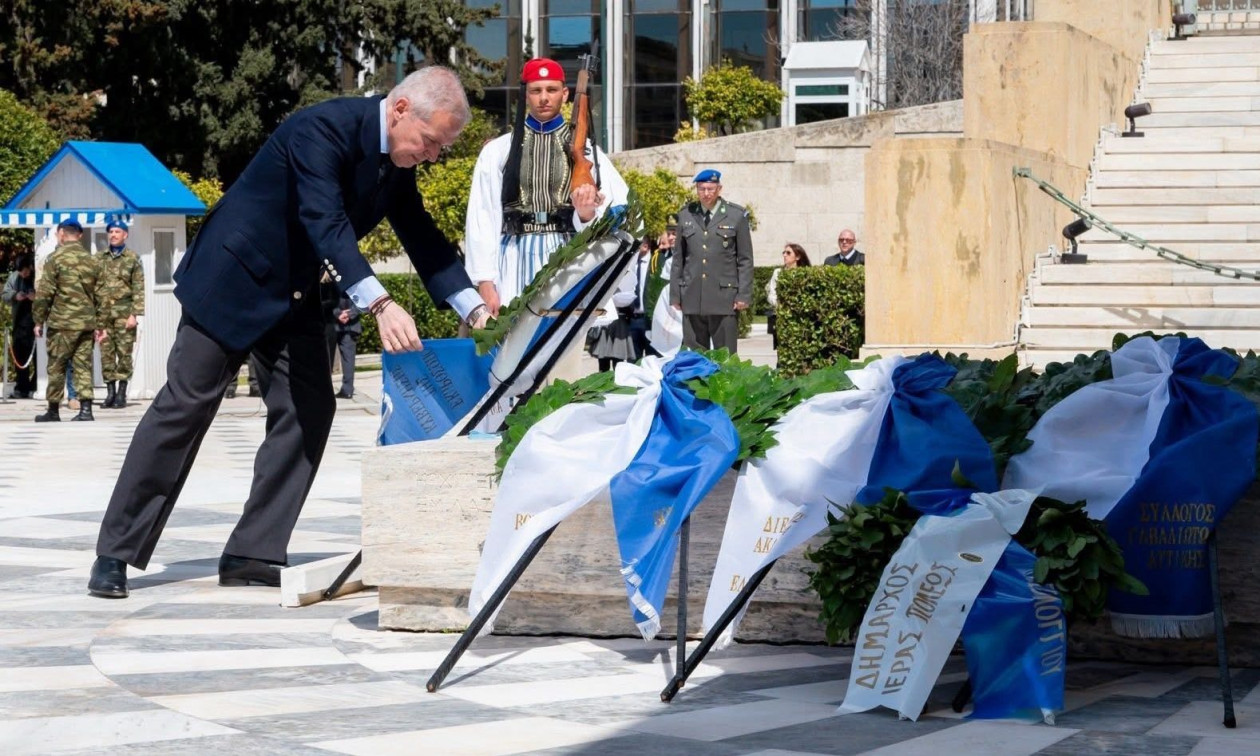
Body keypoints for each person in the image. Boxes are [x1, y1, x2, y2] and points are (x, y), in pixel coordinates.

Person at [88, 66, 491, 599]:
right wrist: (381, 303)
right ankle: (114, 552)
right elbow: (325, 221)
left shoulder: (397, 160)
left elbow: (420, 234)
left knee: (310, 408)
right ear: (400, 111)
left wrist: (474, 307)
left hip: (293, 293)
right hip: (232, 280)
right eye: (431, 142)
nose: (432, 155)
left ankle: (254, 551)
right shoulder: (319, 130)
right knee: (185, 406)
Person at [464, 58, 629, 314]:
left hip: (567, 257)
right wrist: (485, 281)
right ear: (525, 95)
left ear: (565, 95)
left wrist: (586, 214)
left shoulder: (587, 152)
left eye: (551, 90)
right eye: (536, 91)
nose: (544, 98)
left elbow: (617, 211)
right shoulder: (498, 151)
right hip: (513, 259)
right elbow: (482, 217)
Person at [670, 169, 753, 354]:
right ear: (696, 189)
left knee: (726, 356)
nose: (706, 193)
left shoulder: (736, 215)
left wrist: (743, 295)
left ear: (719, 189)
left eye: (710, 189)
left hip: (724, 298)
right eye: (702, 189)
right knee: (695, 358)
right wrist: (675, 294)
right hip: (692, 296)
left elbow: (745, 259)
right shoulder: (686, 215)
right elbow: (679, 259)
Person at [32, 219, 103, 423]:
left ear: (62, 233)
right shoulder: (92, 261)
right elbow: (101, 295)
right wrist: (102, 324)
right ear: (79, 235)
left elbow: (45, 293)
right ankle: (86, 410)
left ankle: (53, 411)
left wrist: (38, 320)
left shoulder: (55, 259)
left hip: (61, 323)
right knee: (83, 365)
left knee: (57, 366)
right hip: (86, 323)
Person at [96, 218, 145, 409]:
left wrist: (135, 314)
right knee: (106, 354)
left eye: (117, 231)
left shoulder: (132, 258)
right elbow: (93, 287)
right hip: (104, 316)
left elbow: (138, 287)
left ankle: (122, 393)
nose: (113, 235)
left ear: (125, 234)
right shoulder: (99, 258)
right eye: (111, 232)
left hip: (124, 313)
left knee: (124, 354)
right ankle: (110, 393)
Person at [590, 237, 654, 370]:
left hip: (639, 318)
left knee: (644, 359)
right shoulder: (623, 263)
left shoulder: (654, 263)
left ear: (646, 246)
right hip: (618, 317)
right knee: (614, 360)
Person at [2, 254, 37, 398]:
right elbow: (4, 294)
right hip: (20, 322)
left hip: (36, 322)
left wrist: (35, 296)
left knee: (37, 357)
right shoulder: (14, 277)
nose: (24, 274)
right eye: (21, 271)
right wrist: (15, 296)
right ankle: (21, 387)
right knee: (20, 356)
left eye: (26, 271)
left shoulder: (38, 276)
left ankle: (35, 385)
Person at [766, 243, 812, 350]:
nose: (785, 255)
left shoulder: (806, 274)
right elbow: (771, 294)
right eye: (784, 252)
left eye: (788, 253)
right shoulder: (778, 273)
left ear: (798, 257)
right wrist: (781, 304)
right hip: (782, 317)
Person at [333, 294, 362, 399]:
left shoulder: (332, 281)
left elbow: (327, 299)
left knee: (345, 359)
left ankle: (347, 389)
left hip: (339, 325)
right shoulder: (355, 282)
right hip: (347, 325)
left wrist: (341, 314)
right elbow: (361, 302)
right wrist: (349, 314)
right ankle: (347, 389)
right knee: (348, 359)